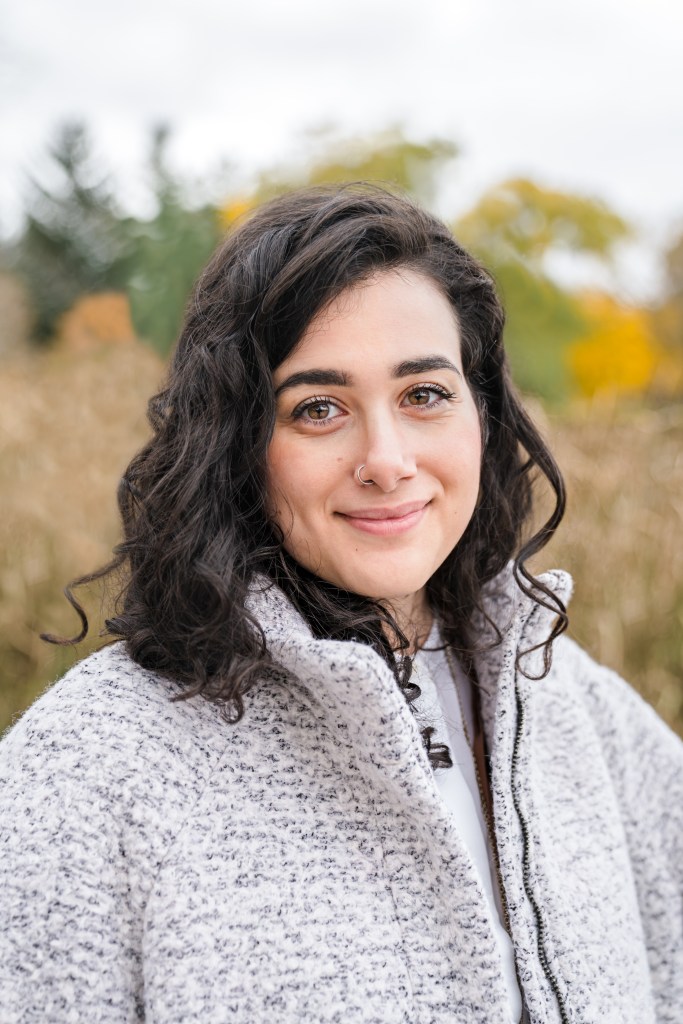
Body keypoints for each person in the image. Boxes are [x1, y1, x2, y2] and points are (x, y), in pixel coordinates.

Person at [0, 184, 681, 1024]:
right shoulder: (90, 769)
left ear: (482, 412)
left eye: (423, 394)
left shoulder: (579, 710)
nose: (386, 459)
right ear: (239, 444)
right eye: (318, 409)